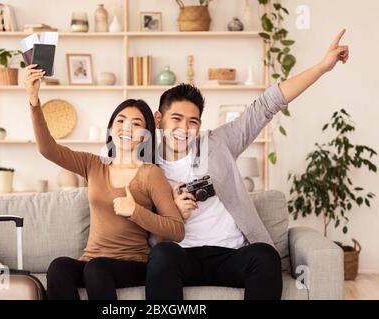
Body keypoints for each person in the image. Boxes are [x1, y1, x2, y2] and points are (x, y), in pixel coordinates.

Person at [146, 29, 350, 300]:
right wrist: (173, 215)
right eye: (176, 119)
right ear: (159, 119)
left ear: (200, 125)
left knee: (265, 256)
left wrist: (323, 67)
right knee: (161, 255)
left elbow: (267, 104)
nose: (184, 128)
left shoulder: (218, 143)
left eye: (192, 121)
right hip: (182, 256)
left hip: (232, 254)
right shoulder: (145, 165)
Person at [24, 64, 185, 300]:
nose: (126, 127)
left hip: (133, 264)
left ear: (146, 135)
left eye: (136, 123)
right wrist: (34, 100)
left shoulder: (151, 174)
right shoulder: (93, 165)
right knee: (59, 267)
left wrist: (135, 211)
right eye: (120, 121)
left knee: (97, 268)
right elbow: (48, 149)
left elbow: (177, 230)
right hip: (91, 260)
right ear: (111, 129)